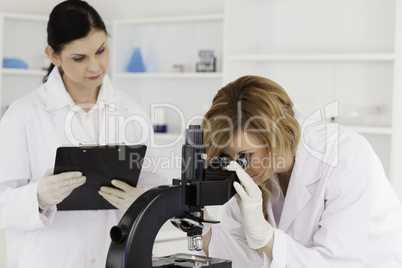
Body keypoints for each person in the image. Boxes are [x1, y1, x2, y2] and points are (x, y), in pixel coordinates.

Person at [0, 1, 167, 267]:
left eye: (101, 51)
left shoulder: (130, 112)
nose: (95, 67)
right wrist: (38, 197)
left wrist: (142, 201)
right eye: (79, 58)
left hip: (110, 257)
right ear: (54, 56)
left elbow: (155, 186)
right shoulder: (22, 116)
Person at [200, 75, 402, 267]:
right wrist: (202, 228)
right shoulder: (254, 174)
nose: (237, 167)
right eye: (228, 157)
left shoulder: (344, 157)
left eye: (245, 156)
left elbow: (338, 264)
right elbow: (243, 256)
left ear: (275, 138)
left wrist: (267, 238)